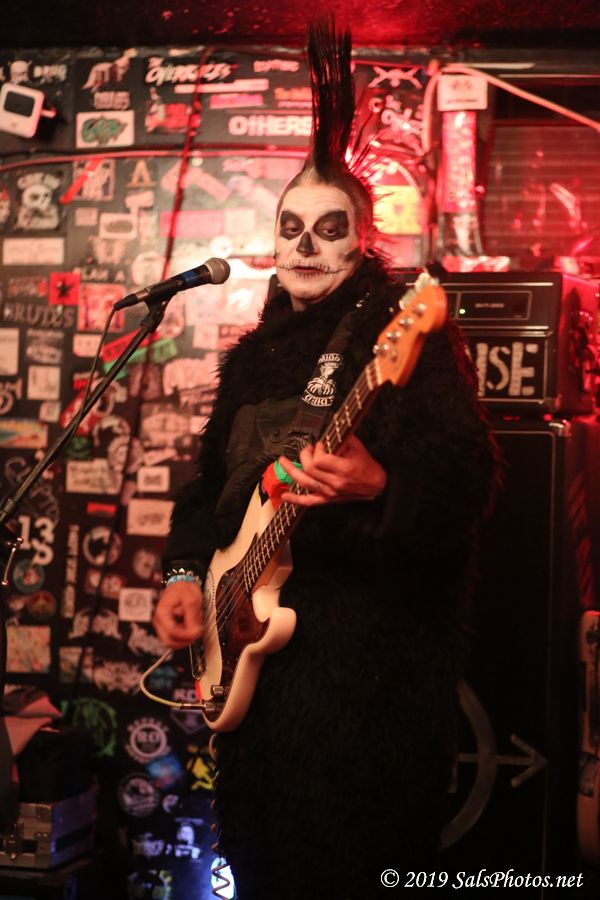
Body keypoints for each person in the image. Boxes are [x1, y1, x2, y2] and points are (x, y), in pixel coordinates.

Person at [153, 18, 498, 899]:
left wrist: (384, 485)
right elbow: (206, 491)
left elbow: (470, 477)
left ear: (361, 238)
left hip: (366, 698)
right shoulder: (249, 360)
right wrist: (186, 576)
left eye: (328, 228)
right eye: (292, 228)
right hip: (252, 694)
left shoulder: (398, 331)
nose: (306, 246)